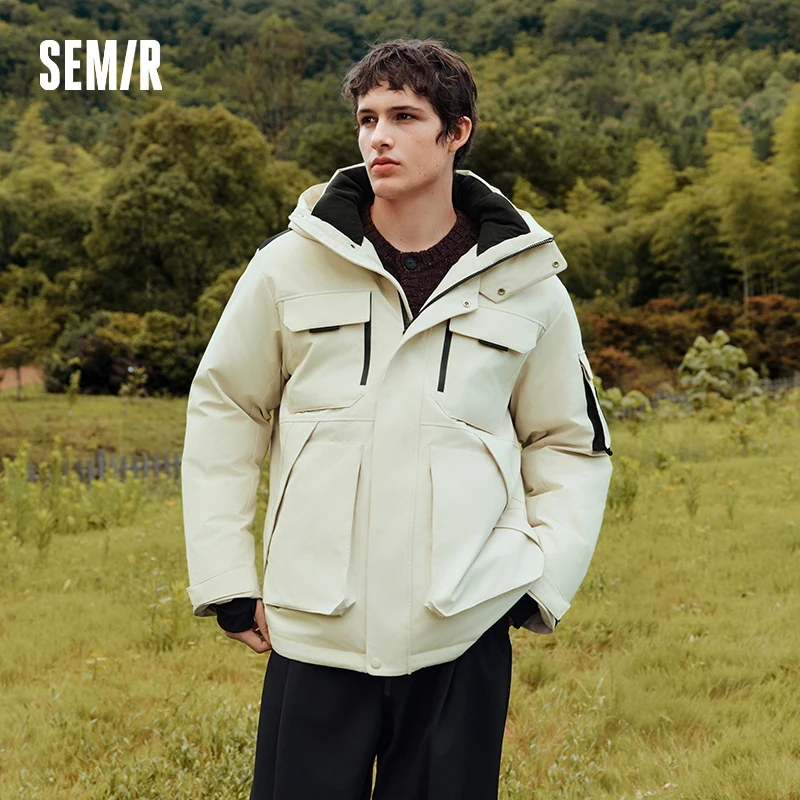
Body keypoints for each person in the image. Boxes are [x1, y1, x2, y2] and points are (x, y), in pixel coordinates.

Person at [182, 37, 613, 800]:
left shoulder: (529, 283)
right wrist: (226, 578)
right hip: (315, 628)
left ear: (456, 133)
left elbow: (568, 441)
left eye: (404, 116)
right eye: (367, 118)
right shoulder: (287, 266)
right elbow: (228, 414)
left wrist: (539, 580)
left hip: (462, 628)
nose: (378, 135)